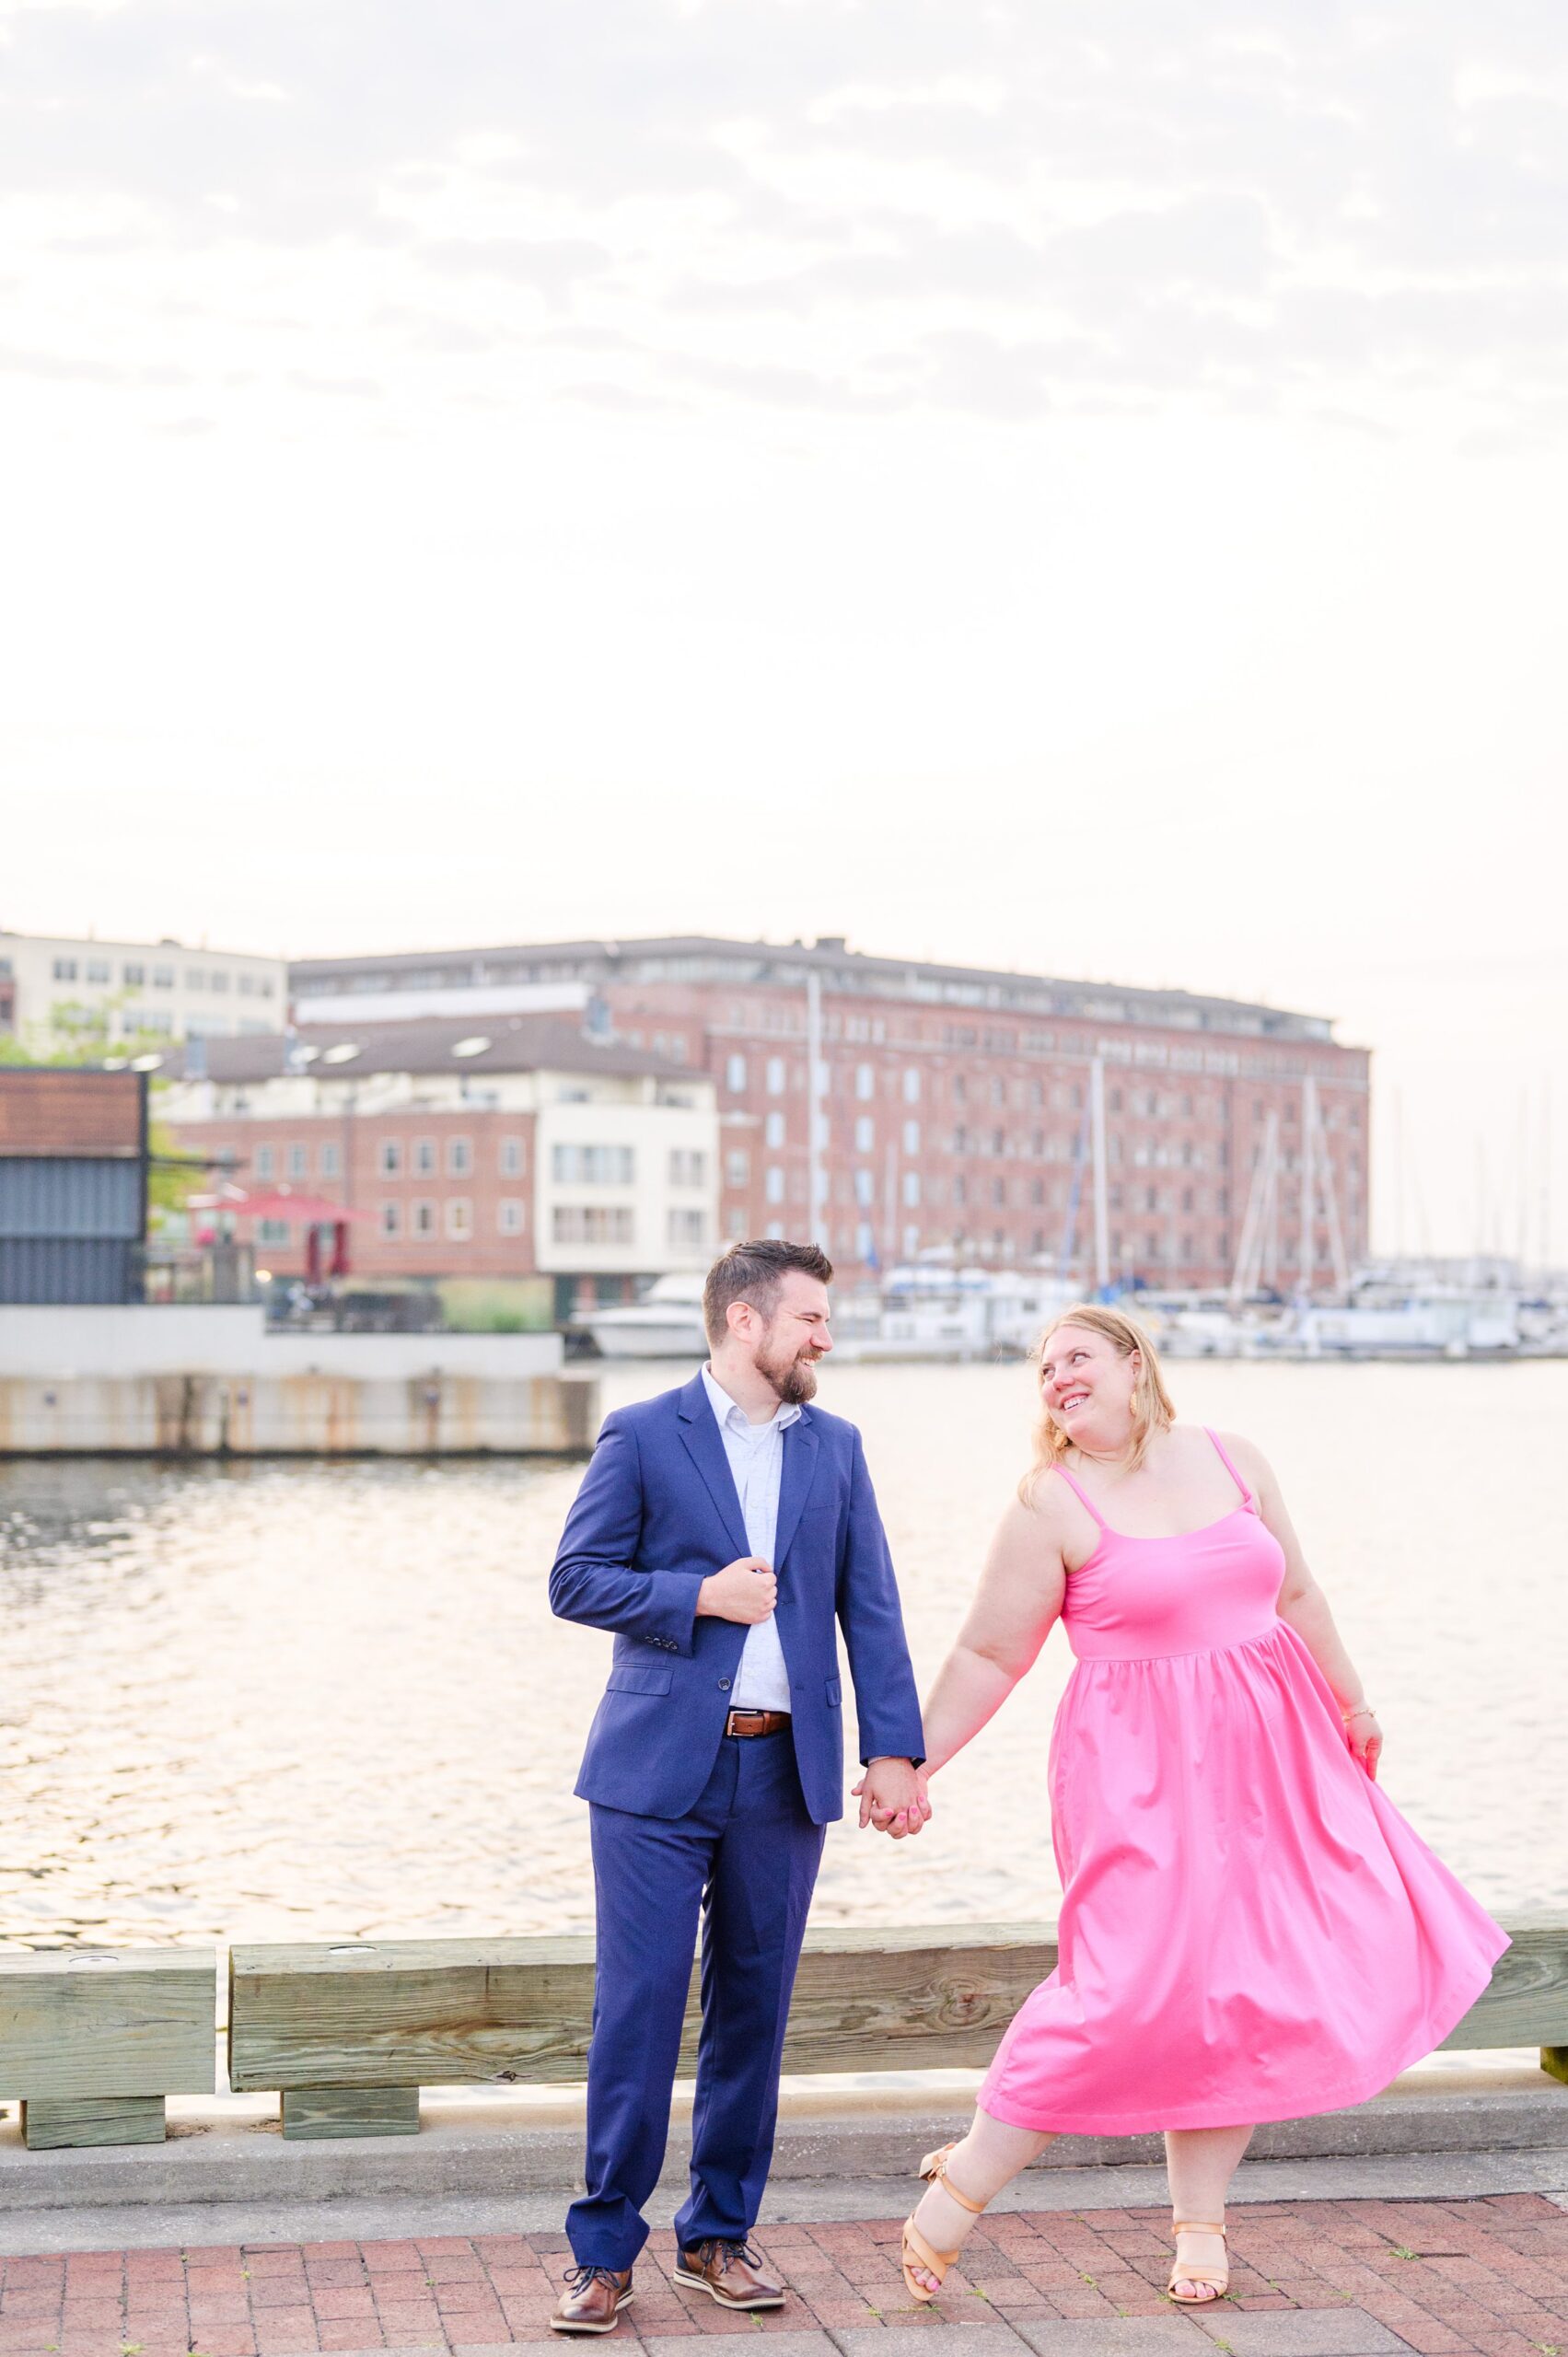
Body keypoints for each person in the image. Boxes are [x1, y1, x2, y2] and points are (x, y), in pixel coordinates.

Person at [898, 1302, 1507, 2309]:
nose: (1054, 1376)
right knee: (1114, 1989)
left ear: (1134, 1362)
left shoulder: (1233, 1459)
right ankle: (962, 2183)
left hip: (1276, 1758)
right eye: (1042, 1367)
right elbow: (987, 1653)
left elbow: (1297, 1595)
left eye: (1075, 1355)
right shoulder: (1047, 1502)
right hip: (1135, 1775)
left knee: (1242, 1988)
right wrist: (912, 1763)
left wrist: (1350, 1698)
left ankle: (1199, 2223)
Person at [547, 1238, 926, 2335]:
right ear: (744, 1322)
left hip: (782, 1768)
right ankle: (602, 2252)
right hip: (651, 1773)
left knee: (753, 2012)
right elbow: (575, 1579)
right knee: (639, 2006)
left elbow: (874, 1607)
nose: (825, 1336)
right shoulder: (641, 1432)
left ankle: (716, 2235)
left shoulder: (836, 1448)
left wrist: (889, 1751)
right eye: (809, 1316)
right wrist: (698, 1596)